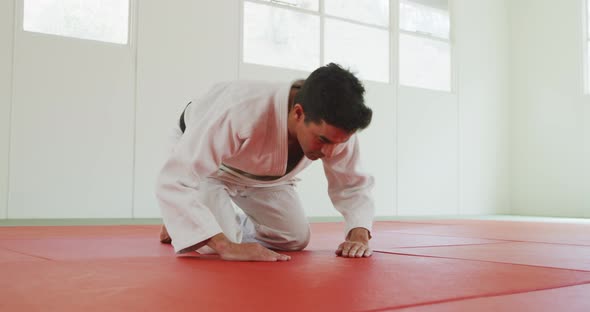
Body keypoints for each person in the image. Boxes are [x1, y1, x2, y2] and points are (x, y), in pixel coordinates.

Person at [156, 63, 375, 262]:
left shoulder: (336, 128)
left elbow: (351, 183)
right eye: (322, 140)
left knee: (295, 238)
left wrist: (359, 232)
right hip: (211, 169)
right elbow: (175, 179)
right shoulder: (240, 107)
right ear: (298, 113)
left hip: (264, 177)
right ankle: (187, 218)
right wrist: (225, 244)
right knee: (212, 247)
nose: (330, 151)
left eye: (339, 143)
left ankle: (197, 219)